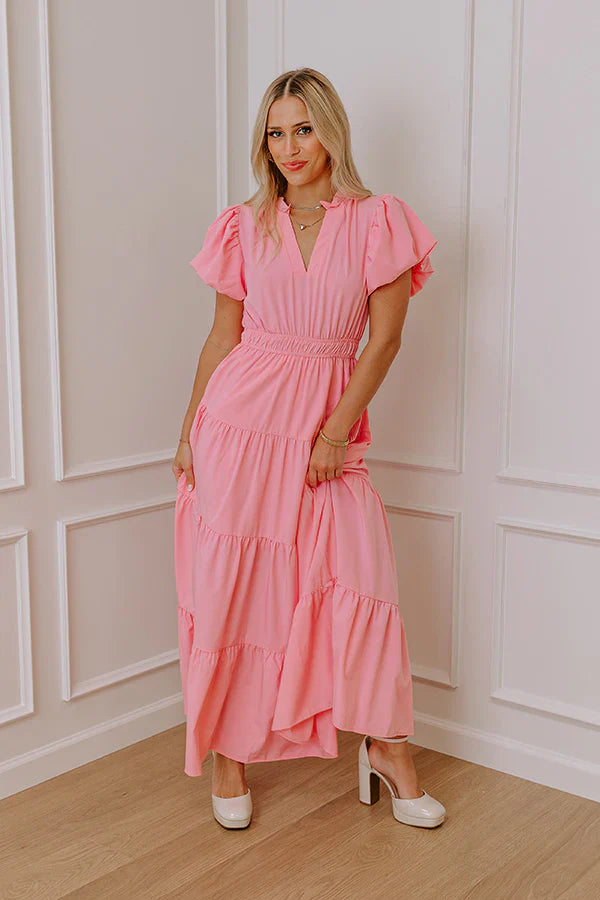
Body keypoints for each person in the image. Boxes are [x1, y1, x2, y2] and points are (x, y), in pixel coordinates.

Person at [172, 67, 445, 830]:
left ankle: (388, 749)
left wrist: (334, 433)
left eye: (304, 128)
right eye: (275, 132)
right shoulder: (243, 225)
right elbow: (222, 337)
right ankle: (228, 752)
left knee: (361, 577)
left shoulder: (379, 221)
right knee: (234, 588)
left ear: (331, 132)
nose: (290, 147)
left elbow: (383, 342)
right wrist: (190, 430)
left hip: (323, 429)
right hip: (237, 428)